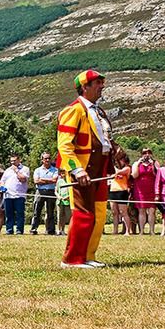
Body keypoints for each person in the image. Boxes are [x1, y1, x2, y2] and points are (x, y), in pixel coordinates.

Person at [57, 70, 117, 269]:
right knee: (84, 213)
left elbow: (103, 139)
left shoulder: (99, 111)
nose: (102, 86)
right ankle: (72, 259)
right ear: (85, 87)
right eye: (98, 83)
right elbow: (64, 145)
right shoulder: (73, 110)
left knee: (99, 214)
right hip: (83, 170)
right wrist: (76, 170)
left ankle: (88, 255)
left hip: (99, 170)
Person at [30, 153, 59, 236]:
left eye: (49, 158)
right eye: (45, 158)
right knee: (36, 211)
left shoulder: (55, 170)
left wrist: (42, 180)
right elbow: (36, 181)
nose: (47, 160)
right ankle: (33, 229)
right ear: (42, 160)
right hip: (40, 191)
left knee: (50, 212)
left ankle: (51, 230)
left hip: (51, 191)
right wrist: (48, 180)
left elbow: (54, 180)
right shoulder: (37, 170)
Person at [1, 153, 30, 235]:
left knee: (20, 214)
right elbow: (2, 181)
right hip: (8, 195)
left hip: (19, 195)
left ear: (19, 160)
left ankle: (19, 230)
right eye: (11, 161)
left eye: (14, 161)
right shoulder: (7, 170)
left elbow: (23, 179)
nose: (12, 163)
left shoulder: (25, 169)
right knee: (9, 214)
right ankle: (9, 229)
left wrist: (16, 170)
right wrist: (2, 186)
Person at [131, 148, 158, 236]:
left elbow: (157, 175)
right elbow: (134, 175)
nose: (146, 154)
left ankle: (152, 231)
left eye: (149, 152)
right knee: (141, 211)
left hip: (152, 190)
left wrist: (153, 164)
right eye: (144, 153)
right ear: (141, 154)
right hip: (139, 190)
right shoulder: (136, 163)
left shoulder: (155, 163)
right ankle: (141, 231)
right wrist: (138, 163)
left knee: (152, 211)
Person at [109, 153, 132, 235]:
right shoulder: (114, 168)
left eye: (121, 160)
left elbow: (118, 172)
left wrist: (113, 168)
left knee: (123, 212)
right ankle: (115, 231)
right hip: (113, 191)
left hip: (122, 191)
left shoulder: (127, 168)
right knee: (114, 212)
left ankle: (127, 231)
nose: (119, 162)